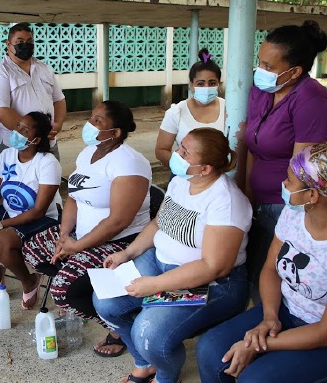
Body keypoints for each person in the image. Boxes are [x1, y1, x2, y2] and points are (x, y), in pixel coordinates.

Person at [197, 142, 327, 383]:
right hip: (289, 312)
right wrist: (269, 318)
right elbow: (271, 269)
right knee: (210, 349)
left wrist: (264, 344)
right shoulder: (296, 213)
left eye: (289, 181)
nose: (284, 185)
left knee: (257, 379)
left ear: (313, 195)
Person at [93, 127, 252, 383]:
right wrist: (128, 252)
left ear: (205, 169)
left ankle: (166, 377)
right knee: (106, 302)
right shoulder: (182, 180)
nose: (176, 154)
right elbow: (159, 223)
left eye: (185, 152)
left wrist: (154, 285)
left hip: (210, 284)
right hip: (159, 262)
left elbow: (214, 267)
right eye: (180, 146)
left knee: (149, 332)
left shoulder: (226, 202)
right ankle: (145, 365)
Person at [22, 100, 151, 357]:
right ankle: (86, 285)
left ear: (115, 133)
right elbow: (73, 197)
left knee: (61, 291)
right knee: (32, 248)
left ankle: (120, 328)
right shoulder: (88, 153)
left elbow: (119, 221)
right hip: (80, 236)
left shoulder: (129, 163)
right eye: (91, 118)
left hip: (120, 242)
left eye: (98, 121)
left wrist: (78, 246)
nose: (89, 125)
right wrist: (64, 236)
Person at [244, 20, 327, 301]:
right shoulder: (262, 91)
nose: (260, 71)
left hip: (287, 206)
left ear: (295, 71)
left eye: (269, 67)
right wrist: (247, 193)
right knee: (256, 270)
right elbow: (251, 146)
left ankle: (275, 327)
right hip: (258, 199)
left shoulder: (313, 102)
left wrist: (290, 213)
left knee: (282, 274)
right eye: (259, 62)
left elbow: (302, 169)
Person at [0, 112, 62, 308]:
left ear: (36, 139)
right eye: (18, 126)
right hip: (9, 214)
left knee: (0, 241)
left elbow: (38, 211)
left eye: (25, 130)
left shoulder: (47, 163)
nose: (18, 132)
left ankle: (29, 281)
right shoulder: (7, 155)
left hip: (42, 220)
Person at [0, 23, 67, 160]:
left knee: (50, 179)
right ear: (8, 44)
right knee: (18, 181)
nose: (25, 45)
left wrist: (57, 125)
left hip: (47, 142)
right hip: (16, 145)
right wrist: (31, 134)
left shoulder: (44, 68)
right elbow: (1, 111)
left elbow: (59, 100)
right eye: (20, 42)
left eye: (29, 41)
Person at [155, 48, 225, 170]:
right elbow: (161, 150)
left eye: (212, 83)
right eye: (201, 83)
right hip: (185, 179)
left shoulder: (230, 109)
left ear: (219, 84)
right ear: (192, 85)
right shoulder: (176, 112)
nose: (206, 87)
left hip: (222, 175)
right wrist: (184, 170)